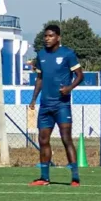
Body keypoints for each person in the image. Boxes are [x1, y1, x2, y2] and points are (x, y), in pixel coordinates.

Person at [26, 24, 84, 187]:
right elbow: (40, 79)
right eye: (45, 36)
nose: (47, 39)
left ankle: (75, 178)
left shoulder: (68, 54)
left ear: (58, 37)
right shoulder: (41, 55)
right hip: (45, 105)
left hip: (62, 105)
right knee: (43, 139)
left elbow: (80, 76)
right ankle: (44, 178)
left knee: (66, 139)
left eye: (51, 36)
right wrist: (33, 99)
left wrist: (69, 88)